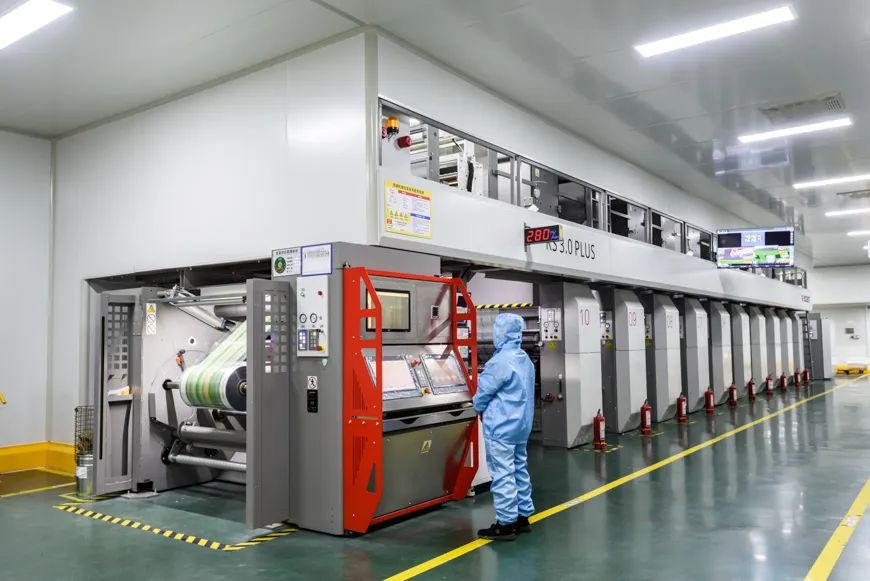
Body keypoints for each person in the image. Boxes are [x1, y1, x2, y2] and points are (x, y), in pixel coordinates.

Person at [473, 313, 536, 541]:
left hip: (501, 427)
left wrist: (475, 406)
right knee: (519, 469)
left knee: (503, 474)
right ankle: (523, 517)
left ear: (501, 333)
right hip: (521, 426)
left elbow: (483, 393)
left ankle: (506, 524)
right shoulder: (525, 359)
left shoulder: (499, 362)